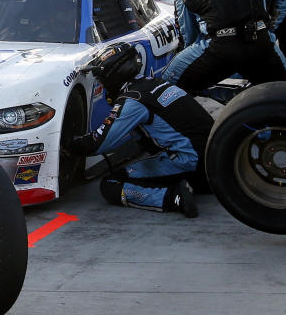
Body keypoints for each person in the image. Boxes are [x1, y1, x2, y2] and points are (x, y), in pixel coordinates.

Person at [64, 42, 213, 215]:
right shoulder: (154, 83)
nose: (102, 86)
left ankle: (172, 197)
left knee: (111, 184)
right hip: (213, 157)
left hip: (192, 162)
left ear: (113, 76)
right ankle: (179, 181)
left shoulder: (133, 99)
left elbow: (100, 143)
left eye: (102, 80)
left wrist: (69, 144)